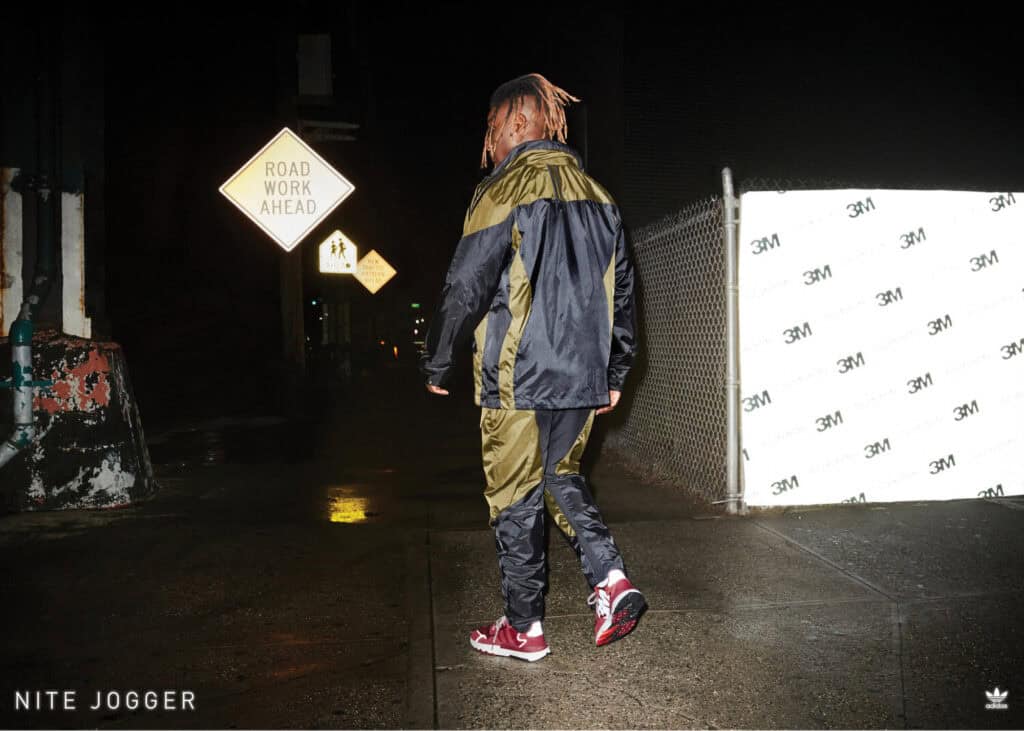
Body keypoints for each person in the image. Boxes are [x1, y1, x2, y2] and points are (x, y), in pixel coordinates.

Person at [420, 73, 643, 662]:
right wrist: (615, 373)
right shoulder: (600, 195)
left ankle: (524, 628)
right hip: (581, 376)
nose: (489, 142)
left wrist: (438, 357)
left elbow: (466, 283)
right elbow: (621, 295)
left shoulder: (502, 188)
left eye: (492, 129)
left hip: (517, 375)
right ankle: (610, 577)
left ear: (518, 124)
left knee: (514, 495)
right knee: (560, 478)